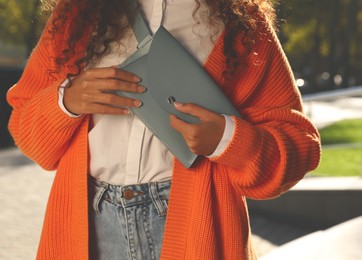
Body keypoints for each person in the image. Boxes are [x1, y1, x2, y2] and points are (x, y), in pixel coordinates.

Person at [7, 0, 321, 259]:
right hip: (91, 222)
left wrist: (226, 138)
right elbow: (26, 132)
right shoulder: (76, 15)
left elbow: (298, 145)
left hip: (195, 228)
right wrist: (66, 101)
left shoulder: (242, 23)